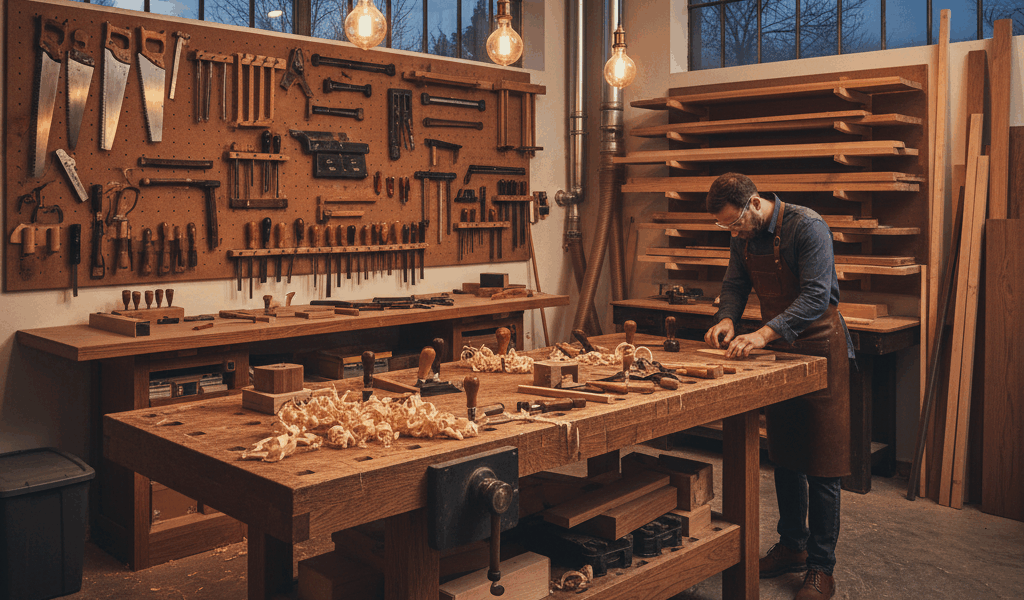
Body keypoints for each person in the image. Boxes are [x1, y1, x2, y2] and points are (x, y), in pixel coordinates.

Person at [702, 173, 853, 600]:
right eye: (725, 228)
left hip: (821, 346)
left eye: (735, 224)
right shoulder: (741, 237)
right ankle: (792, 547)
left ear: (753, 203)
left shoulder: (808, 227)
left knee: (823, 462)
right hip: (781, 348)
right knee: (785, 454)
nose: (732, 233)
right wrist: (727, 318)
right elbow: (735, 284)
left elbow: (816, 296)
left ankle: (822, 568)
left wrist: (764, 334)